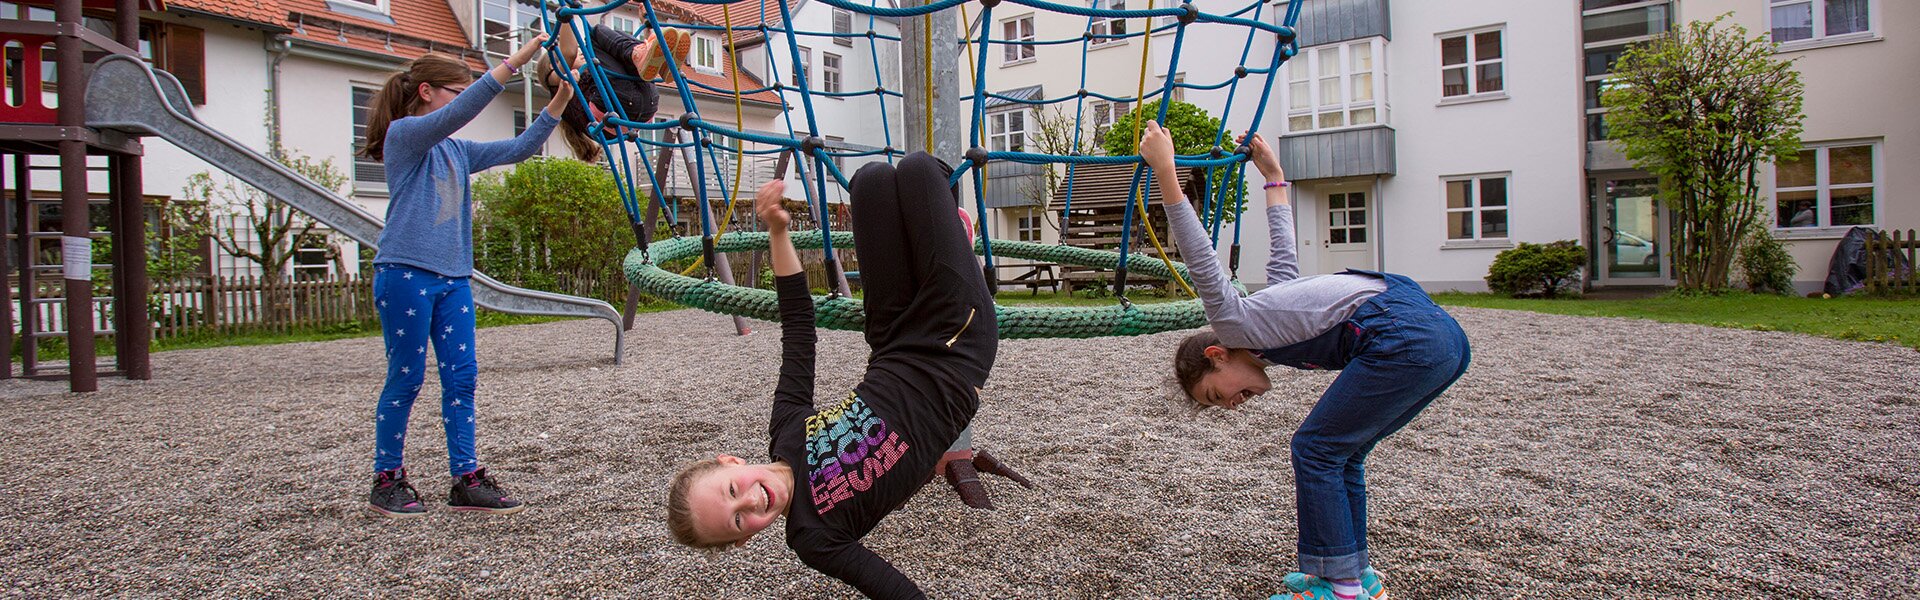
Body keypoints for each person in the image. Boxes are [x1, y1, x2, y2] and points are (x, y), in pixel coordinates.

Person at [1140, 122, 1471, 600]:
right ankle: (1354, 574)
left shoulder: (1237, 326)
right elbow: (1284, 255)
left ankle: (1340, 588)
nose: (1232, 405)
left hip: (1405, 336)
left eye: (1217, 394)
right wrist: (1274, 177)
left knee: (1314, 448)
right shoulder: (1274, 318)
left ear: (1218, 354)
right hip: (1443, 340)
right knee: (1342, 453)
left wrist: (1166, 174)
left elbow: (1204, 265)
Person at [665, 152, 996, 599]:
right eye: (738, 520)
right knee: (920, 169)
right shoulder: (813, 537)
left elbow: (798, 330)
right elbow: (889, 587)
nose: (750, 501)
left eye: (730, 490)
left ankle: (942, 235)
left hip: (893, 339)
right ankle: (950, 234)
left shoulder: (786, 430)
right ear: (744, 539)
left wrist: (778, 231)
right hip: (955, 350)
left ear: (731, 463)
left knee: (872, 181)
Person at [357, 39, 574, 518]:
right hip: (405, 274)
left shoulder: (457, 152)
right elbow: (459, 114)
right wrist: (516, 61)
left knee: (462, 378)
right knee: (407, 377)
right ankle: (387, 478)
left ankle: (466, 478)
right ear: (428, 92)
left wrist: (562, 97)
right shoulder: (406, 136)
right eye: (454, 92)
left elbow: (520, 148)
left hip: (454, 277)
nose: (460, 101)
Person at [538, 20, 689, 162]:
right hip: (615, 109)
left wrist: (647, 27)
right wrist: (565, 15)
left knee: (620, 50)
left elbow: (639, 69)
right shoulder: (555, 81)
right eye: (578, 51)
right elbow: (569, 54)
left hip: (638, 110)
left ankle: (655, 56)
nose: (579, 52)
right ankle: (642, 52)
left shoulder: (587, 76)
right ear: (552, 66)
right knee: (594, 34)